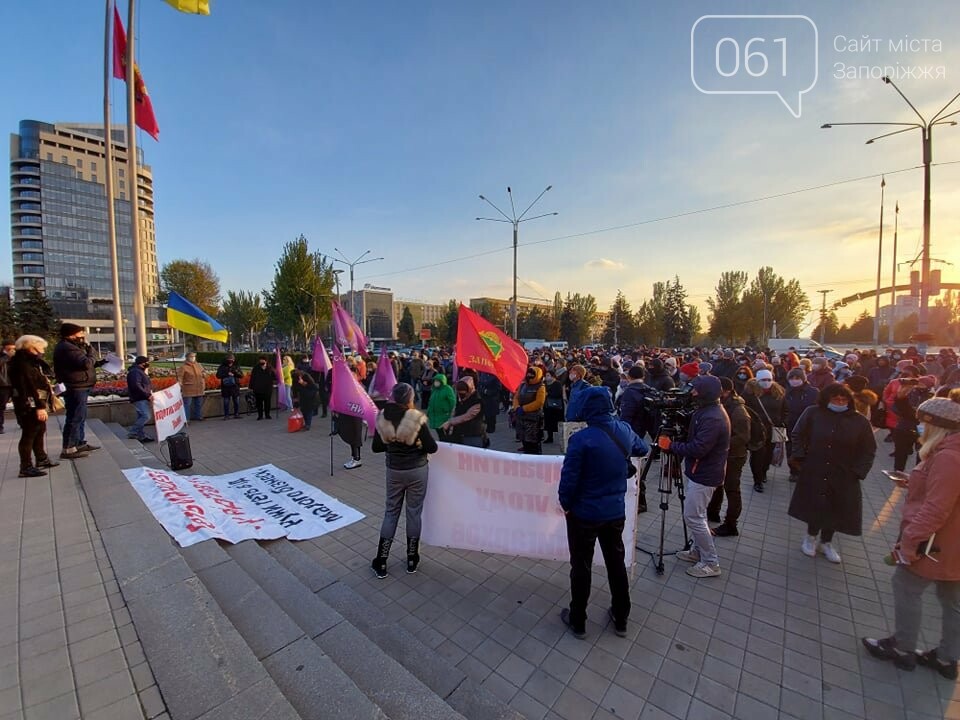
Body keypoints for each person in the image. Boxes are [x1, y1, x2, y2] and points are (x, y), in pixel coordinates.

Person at [862, 397, 960, 677]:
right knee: (952, 600)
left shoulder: (948, 457)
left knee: (906, 588)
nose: (918, 426)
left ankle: (903, 648)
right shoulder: (950, 452)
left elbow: (936, 509)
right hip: (952, 544)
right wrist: (914, 480)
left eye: (922, 422)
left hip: (935, 544)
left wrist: (909, 542)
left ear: (936, 425)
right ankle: (947, 657)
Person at [559, 386, 648, 638]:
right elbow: (642, 449)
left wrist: (565, 503)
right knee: (615, 563)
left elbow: (569, 479)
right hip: (614, 512)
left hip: (584, 514)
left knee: (581, 566)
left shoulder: (581, 438)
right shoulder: (624, 429)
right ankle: (621, 617)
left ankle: (578, 620)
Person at [788, 383, 877, 563]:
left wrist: (858, 471)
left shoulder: (859, 420)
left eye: (843, 399)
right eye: (835, 399)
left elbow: (869, 449)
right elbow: (797, 433)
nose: (839, 402)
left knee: (836, 506)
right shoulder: (813, 413)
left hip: (844, 471)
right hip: (816, 467)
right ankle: (810, 537)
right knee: (816, 503)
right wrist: (800, 457)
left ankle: (826, 542)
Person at [657, 375, 730, 578]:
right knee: (699, 515)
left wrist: (671, 445)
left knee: (693, 516)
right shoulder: (705, 410)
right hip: (700, 471)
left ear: (705, 393)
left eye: (696, 390)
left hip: (705, 474)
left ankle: (710, 562)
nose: (692, 393)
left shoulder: (713, 417)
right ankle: (697, 551)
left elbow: (699, 448)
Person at [370, 383, 438, 578]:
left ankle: (381, 561)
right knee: (414, 513)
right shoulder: (416, 418)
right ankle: (411, 559)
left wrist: (393, 441)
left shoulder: (382, 416)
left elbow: (376, 447)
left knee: (391, 512)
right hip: (417, 470)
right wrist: (412, 442)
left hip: (394, 470)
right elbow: (432, 447)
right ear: (410, 398)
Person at [53, 323, 106, 460]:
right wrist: (91, 352)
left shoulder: (72, 347)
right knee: (75, 417)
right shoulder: (67, 348)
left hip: (81, 385)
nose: (83, 336)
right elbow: (86, 363)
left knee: (80, 417)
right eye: (80, 333)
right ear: (72, 334)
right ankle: (69, 448)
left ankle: (79, 443)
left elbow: (83, 364)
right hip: (76, 387)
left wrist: (99, 362)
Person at [9, 335, 59, 477]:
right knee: (29, 434)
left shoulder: (30, 361)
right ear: (31, 346)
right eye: (41, 347)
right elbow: (29, 386)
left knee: (39, 429)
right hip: (28, 404)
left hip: (32, 402)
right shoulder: (22, 363)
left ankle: (41, 458)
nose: (43, 350)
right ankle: (25, 466)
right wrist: (39, 406)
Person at [707, 377, 751, 537]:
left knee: (732, 489)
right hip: (724, 454)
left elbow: (743, 437)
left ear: (724, 391)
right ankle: (713, 512)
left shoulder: (739, 410)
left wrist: (721, 443)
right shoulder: (726, 404)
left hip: (734, 456)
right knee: (718, 484)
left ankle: (731, 524)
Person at [618, 365, 656, 513]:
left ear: (629, 377)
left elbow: (626, 416)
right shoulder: (648, 390)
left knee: (634, 468)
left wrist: (623, 432)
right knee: (639, 467)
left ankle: (640, 500)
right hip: (643, 432)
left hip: (631, 433)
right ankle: (640, 499)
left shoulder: (630, 392)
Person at [743, 369, 787, 493]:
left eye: (769, 379)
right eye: (763, 380)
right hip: (757, 431)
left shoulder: (779, 392)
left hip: (776, 429)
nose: (766, 382)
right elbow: (745, 411)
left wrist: (783, 422)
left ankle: (764, 472)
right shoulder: (750, 393)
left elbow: (786, 410)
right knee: (758, 455)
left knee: (770, 454)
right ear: (757, 380)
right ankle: (757, 480)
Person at [784, 368, 819, 483]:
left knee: (807, 450)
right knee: (791, 449)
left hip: (808, 426)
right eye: (792, 378)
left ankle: (806, 471)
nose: (794, 381)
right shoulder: (785, 392)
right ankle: (794, 471)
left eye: (797, 378)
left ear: (803, 379)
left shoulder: (813, 392)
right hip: (790, 425)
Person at [441, 377, 486, 447]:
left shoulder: (477, 401)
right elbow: (456, 411)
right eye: (459, 393)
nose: (461, 395)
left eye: (463, 393)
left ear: (470, 389)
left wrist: (450, 422)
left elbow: (467, 416)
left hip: (473, 435)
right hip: (460, 433)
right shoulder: (460, 398)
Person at [512, 366, 546, 455]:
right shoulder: (523, 385)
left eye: (532, 374)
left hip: (533, 418)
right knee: (523, 439)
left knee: (533, 442)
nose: (529, 375)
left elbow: (539, 402)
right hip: (521, 417)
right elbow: (516, 397)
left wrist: (524, 408)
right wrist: (516, 407)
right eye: (528, 373)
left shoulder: (540, 386)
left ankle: (536, 459)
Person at [126, 356, 154, 442]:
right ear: (142, 363)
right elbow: (136, 385)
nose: (148, 364)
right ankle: (133, 432)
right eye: (146, 362)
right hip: (139, 397)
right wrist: (146, 395)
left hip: (141, 397)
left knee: (141, 416)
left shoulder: (138, 371)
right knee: (146, 416)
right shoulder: (135, 372)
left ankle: (140, 435)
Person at [176, 352, 206, 422]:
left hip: (199, 388)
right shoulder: (183, 367)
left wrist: (204, 374)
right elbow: (180, 376)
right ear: (187, 357)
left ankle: (198, 416)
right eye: (191, 356)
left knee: (198, 404)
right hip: (188, 389)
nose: (193, 358)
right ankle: (186, 419)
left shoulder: (198, 365)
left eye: (194, 356)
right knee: (187, 405)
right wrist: (179, 382)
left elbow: (204, 372)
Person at [216, 354, 244, 419]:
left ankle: (236, 414)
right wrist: (226, 373)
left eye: (232, 360)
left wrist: (235, 372)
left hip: (235, 387)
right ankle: (226, 415)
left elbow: (241, 375)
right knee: (226, 401)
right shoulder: (222, 366)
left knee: (236, 401)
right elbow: (218, 375)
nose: (230, 361)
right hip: (226, 387)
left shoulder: (236, 366)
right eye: (229, 360)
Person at [248, 356, 275, 420]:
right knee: (259, 403)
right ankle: (260, 415)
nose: (261, 362)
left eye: (263, 360)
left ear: (266, 361)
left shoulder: (270, 368)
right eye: (260, 360)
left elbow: (274, 376)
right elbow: (252, 378)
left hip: (267, 389)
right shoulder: (256, 368)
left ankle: (267, 415)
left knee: (267, 403)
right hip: (258, 389)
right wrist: (251, 387)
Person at [542, 369, 565, 444]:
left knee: (558, 422)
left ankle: (563, 437)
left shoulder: (557, 384)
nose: (547, 377)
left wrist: (548, 394)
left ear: (553, 376)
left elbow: (558, 393)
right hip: (547, 406)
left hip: (556, 406)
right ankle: (550, 437)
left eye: (548, 375)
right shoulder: (544, 383)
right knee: (548, 422)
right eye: (546, 375)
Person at [0, 339, 15, 434]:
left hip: (14, 383)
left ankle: (22, 423)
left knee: (19, 403)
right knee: (1, 406)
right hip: (3, 384)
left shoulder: (15, 356)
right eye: (11, 347)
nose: (13, 349)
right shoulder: (3, 356)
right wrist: (7, 356)